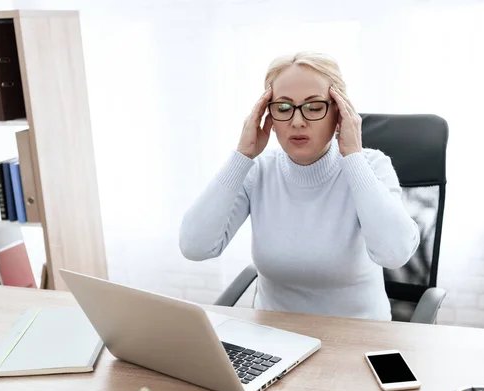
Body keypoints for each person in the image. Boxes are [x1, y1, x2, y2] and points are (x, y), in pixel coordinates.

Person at [179, 51, 419, 321]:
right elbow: (194, 246)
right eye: (283, 107)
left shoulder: (372, 166)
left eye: (314, 107)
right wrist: (242, 156)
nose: (297, 121)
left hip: (357, 337)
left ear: (339, 112)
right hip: (275, 339)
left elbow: (395, 253)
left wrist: (352, 155)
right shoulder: (258, 171)